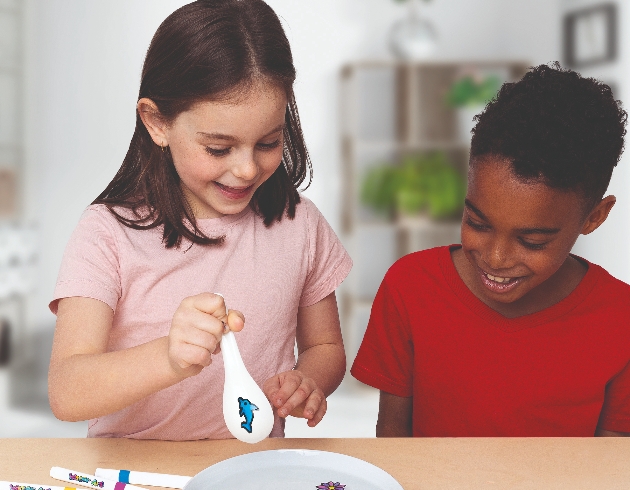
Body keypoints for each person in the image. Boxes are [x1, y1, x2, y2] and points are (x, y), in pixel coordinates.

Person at [48, 0, 352, 440]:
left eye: (268, 142)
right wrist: (168, 358)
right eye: (218, 148)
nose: (247, 169)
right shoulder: (107, 233)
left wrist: (307, 382)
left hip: (249, 478)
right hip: (133, 479)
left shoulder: (300, 224)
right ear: (157, 123)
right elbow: (67, 391)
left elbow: (325, 347)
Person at [351, 63, 630, 438]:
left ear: (594, 217)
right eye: (478, 223)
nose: (496, 258)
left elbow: (611, 471)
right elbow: (392, 446)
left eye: (532, 242)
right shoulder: (411, 287)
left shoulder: (620, 319)